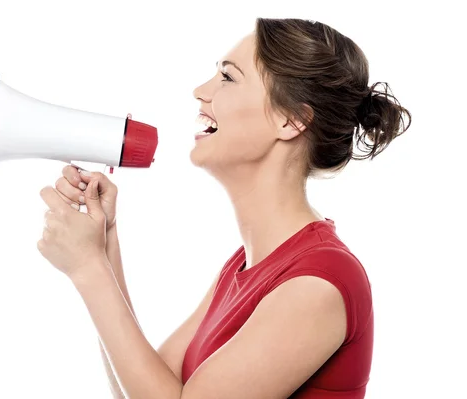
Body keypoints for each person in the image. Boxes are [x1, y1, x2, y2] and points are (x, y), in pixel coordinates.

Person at [37, 17, 411, 399]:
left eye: (227, 78)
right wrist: (103, 245)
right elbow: (145, 387)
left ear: (291, 119)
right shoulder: (245, 266)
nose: (200, 91)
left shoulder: (322, 281)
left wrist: (88, 269)